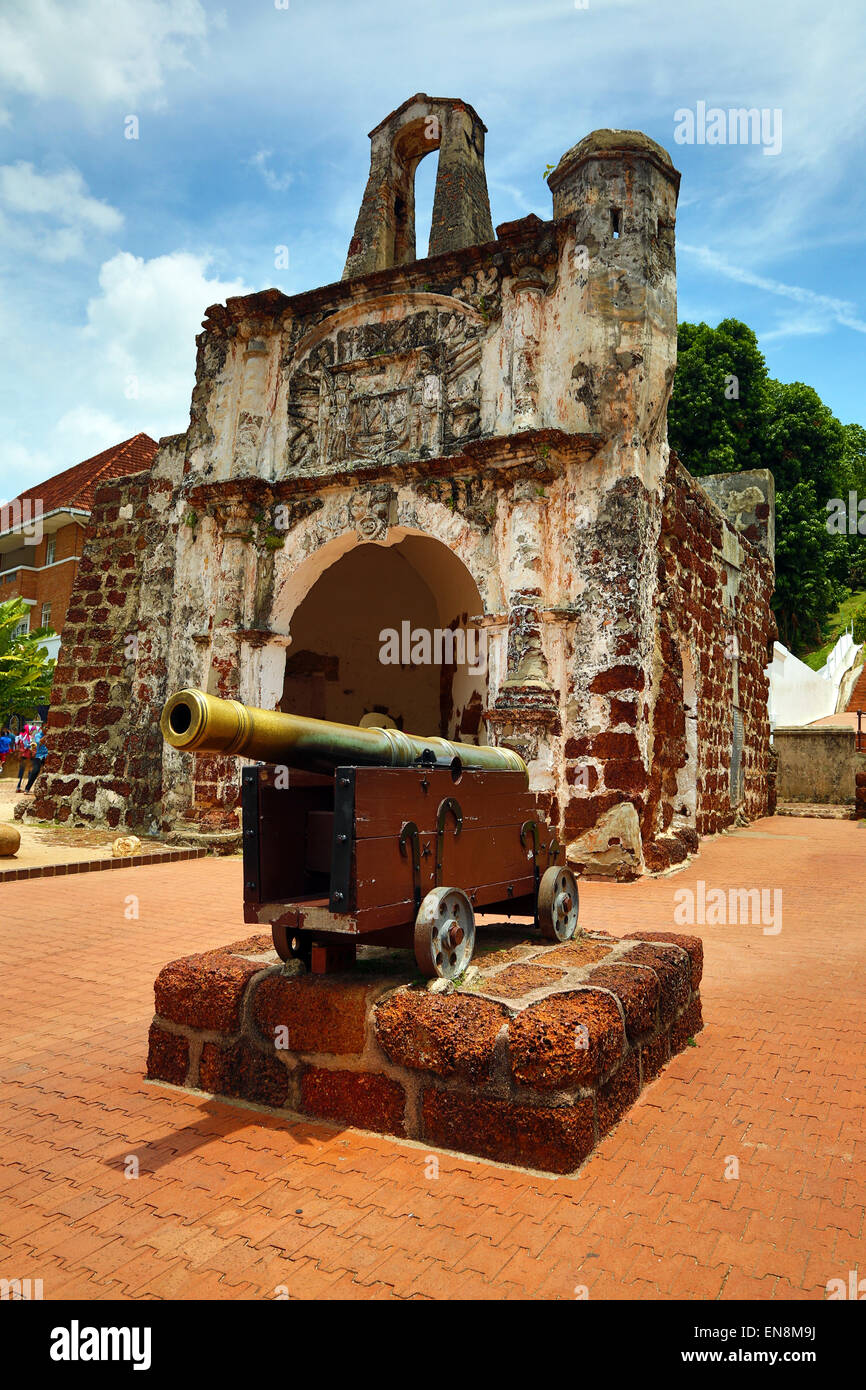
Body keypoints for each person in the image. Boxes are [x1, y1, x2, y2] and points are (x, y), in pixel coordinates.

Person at [25, 728, 48, 793]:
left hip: (47, 755)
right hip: (38, 756)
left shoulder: (51, 734)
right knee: (35, 770)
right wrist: (46, 736)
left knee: (47, 771)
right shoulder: (37, 735)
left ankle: (45, 789)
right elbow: (39, 743)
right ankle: (27, 788)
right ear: (43, 727)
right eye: (46, 728)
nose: (47, 729)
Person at [14, 724, 33, 791]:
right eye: (31, 730)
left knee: (21, 770)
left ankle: (18, 787)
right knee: (30, 771)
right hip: (28, 755)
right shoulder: (28, 737)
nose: (32, 732)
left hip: (21, 755)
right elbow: (28, 746)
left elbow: (16, 744)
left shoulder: (20, 736)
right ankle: (27, 788)